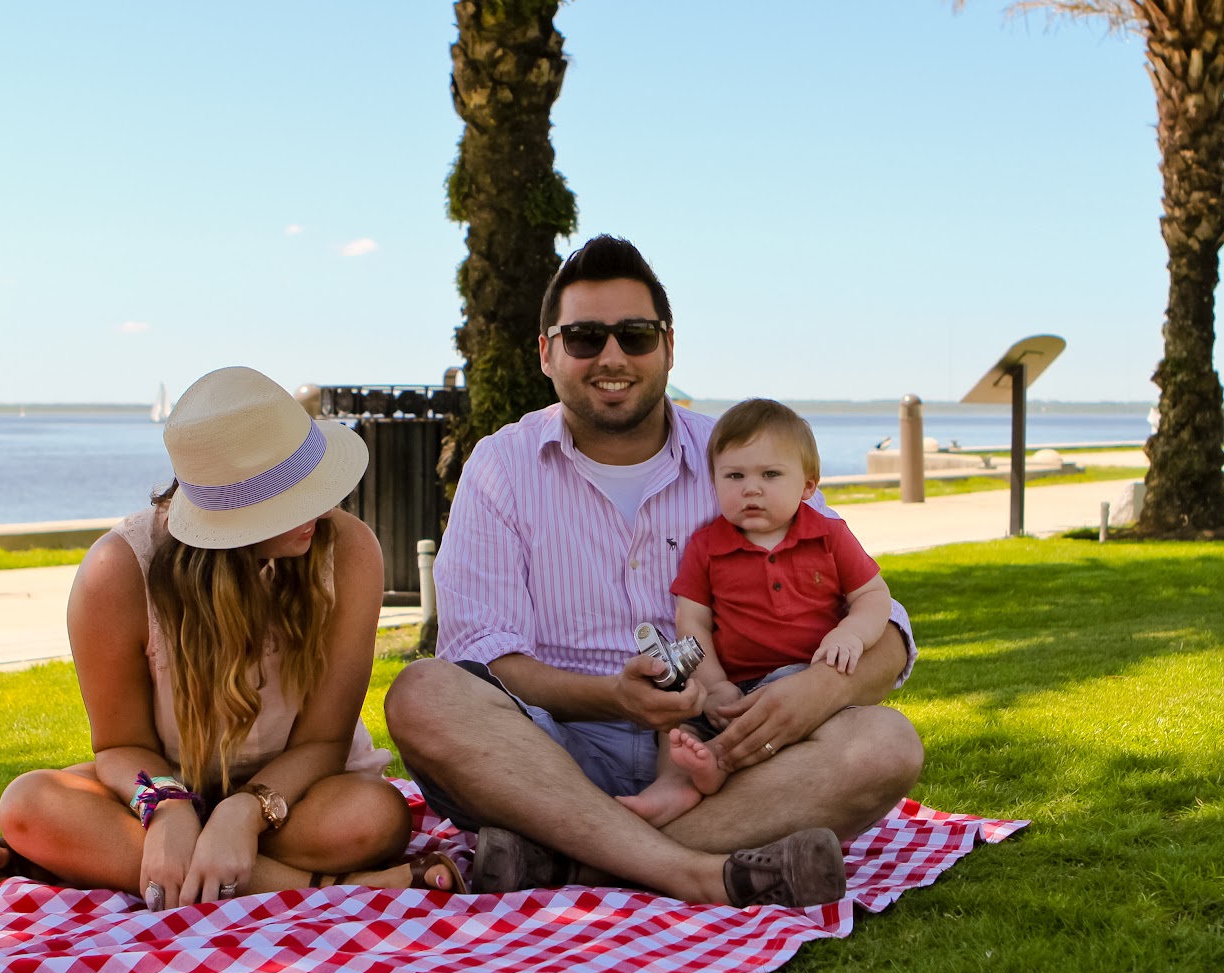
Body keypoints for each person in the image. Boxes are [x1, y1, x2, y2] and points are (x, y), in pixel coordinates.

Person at [385, 235, 925, 908]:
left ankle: (570, 863)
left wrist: (814, 694)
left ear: (669, 347)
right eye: (585, 337)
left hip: (725, 751)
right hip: (549, 753)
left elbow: (887, 630)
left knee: (885, 744)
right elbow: (485, 658)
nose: (612, 357)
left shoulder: (739, 455)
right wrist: (613, 697)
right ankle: (689, 868)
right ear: (547, 353)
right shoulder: (501, 466)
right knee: (423, 693)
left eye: (635, 335)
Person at [0, 366, 465, 908]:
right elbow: (119, 746)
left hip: (297, 797)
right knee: (27, 804)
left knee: (375, 817)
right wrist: (168, 809)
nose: (322, 507)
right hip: (166, 785)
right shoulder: (118, 573)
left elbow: (324, 743)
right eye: (293, 498)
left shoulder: (349, 552)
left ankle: (116, 865)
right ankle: (331, 889)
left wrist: (244, 811)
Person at [617, 398, 893, 828]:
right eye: (734, 476)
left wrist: (850, 634)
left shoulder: (829, 536)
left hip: (802, 678)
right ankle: (673, 784)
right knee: (679, 720)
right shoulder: (706, 546)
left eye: (770, 475)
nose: (751, 488)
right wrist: (714, 686)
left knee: (822, 729)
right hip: (731, 686)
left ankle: (719, 762)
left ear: (807, 486)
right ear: (714, 482)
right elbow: (692, 623)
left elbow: (873, 596)